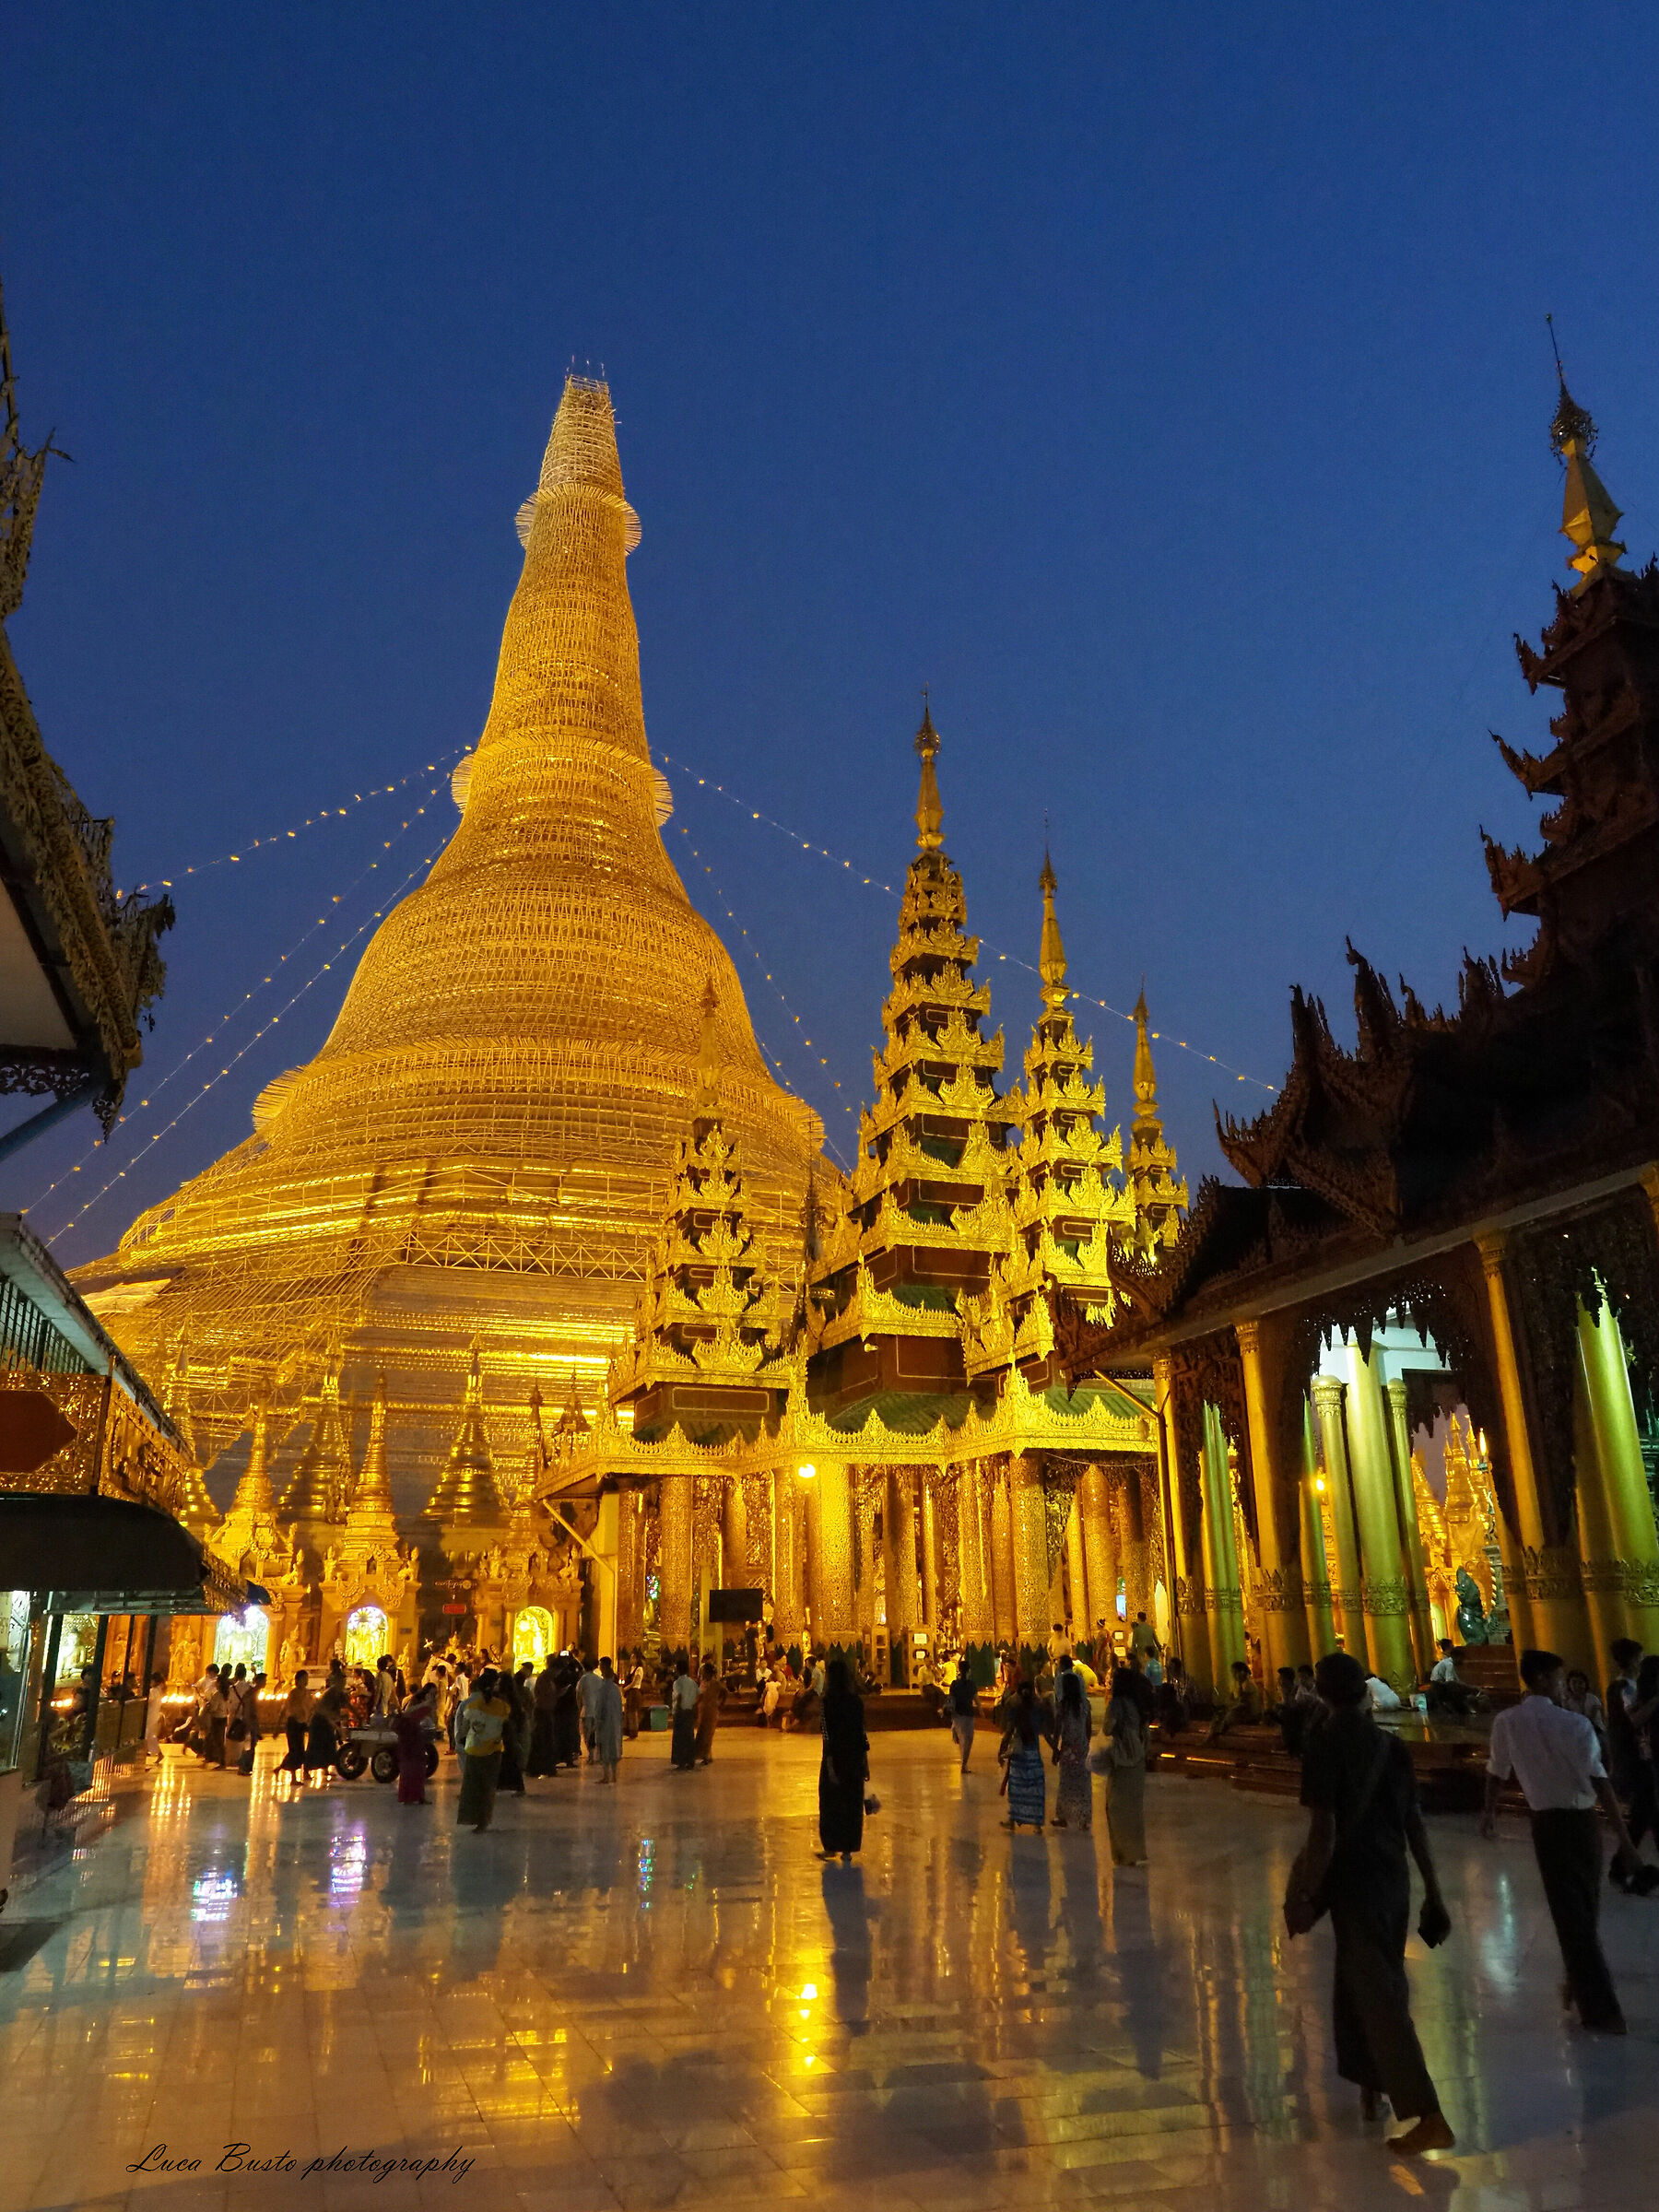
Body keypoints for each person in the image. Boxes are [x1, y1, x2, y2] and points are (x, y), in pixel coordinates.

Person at [1288, 1651, 1453, 2156]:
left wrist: (1303, 1894)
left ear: (1320, 1691)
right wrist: (1434, 1889)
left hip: (1354, 1883)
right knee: (1357, 1982)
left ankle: (1428, 2114)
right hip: (1392, 1879)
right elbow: (1414, 1822)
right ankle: (1369, 2087)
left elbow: (1324, 1830)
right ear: (1364, 1690)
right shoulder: (1390, 1746)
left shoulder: (1324, 1744)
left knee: (1379, 1995)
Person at [1482, 1647, 1639, 2036]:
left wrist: (1489, 1811)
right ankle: (1602, 2010)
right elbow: (1601, 1784)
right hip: (1582, 1825)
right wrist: (1625, 1840)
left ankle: (1577, 1983)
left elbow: (1496, 1771)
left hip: (1548, 1827)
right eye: (1555, 1679)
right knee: (1581, 1914)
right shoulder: (1575, 1725)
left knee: (1575, 1915)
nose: (1561, 1686)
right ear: (1540, 1680)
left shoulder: (1507, 1722)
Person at [818, 1656, 869, 1861]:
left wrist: (829, 1763)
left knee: (831, 1802)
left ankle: (831, 1845)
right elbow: (861, 1732)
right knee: (851, 1802)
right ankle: (848, 1848)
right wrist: (865, 1762)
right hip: (854, 1757)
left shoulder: (828, 1702)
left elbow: (827, 1734)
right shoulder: (856, 1702)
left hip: (836, 1757)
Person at [456, 1667, 512, 1831]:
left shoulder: (472, 1707)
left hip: (474, 1749)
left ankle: (471, 1817)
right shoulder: (502, 1706)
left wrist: (460, 1739)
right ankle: (484, 1820)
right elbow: (505, 1726)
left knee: (473, 1787)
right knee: (488, 1788)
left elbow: (463, 1730)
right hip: (494, 1751)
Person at [999, 1679, 1051, 1832]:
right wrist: (1055, 1749)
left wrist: (1001, 1751)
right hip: (1034, 1754)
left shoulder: (1015, 1709)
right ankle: (1037, 1825)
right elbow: (1046, 1732)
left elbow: (1008, 1732)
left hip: (1019, 1756)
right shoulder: (1038, 1709)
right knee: (1035, 1789)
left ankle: (1012, 1820)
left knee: (1017, 1790)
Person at [1052, 1667, 1092, 1833]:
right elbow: (1088, 1727)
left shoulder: (1063, 1706)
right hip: (1081, 1747)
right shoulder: (1085, 1705)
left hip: (1068, 1747)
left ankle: (1063, 1816)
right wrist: (1086, 1744)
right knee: (1083, 1784)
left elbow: (1058, 1727)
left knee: (1066, 1783)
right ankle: (1084, 1819)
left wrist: (1055, 1748)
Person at [394, 1682, 437, 1805]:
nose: (433, 1696)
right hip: (409, 1735)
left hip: (417, 1734)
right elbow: (407, 1714)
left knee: (419, 1767)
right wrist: (425, 1704)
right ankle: (408, 1796)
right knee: (410, 1767)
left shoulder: (430, 1702)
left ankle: (418, 1795)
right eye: (432, 1693)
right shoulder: (416, 1700)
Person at [1207, 1659, 1261, 1741]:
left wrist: (1230, 1707)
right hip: (1241, 1712)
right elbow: (1231, 1699)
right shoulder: (1239, 1684)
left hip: (1249, 1715)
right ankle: (1213, 1735)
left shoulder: (1247, 1684)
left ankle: (1215, 1735)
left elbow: (1243, 1703)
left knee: (1227, 1716)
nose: (1233, 1675)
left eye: (1235, 1672)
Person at [591, 1654, 624, 1783]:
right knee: (614, 1747)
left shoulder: (602, 1688)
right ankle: (614, 1775)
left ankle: (606, 1776)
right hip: (615, 1723)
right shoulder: (616, 1689)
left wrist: (597, 1721)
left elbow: (599, 1707)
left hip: (604, 1723)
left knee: (604, 1747)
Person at [1425, 1640, 1477, 1718]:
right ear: (1457, 1657)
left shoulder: (1448, 1662)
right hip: (1439, 1687)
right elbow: (1450, 1682)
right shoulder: (1449, 1664)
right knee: (1456, 1690)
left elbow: (1455, 1679)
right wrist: (1469, 1688)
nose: (1462, 1661)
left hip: (1437, 1685)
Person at [305, 1681, 345, 1783]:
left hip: (326, 1724)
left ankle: (325, 1768)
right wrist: (338, 1728)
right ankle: (306, 1770)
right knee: (314, 1747)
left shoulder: (336, 1695)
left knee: (329, 1745)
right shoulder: (329, 1696)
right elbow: (326, 1716)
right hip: (319, 1723)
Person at [528, 1655, 560, 1776]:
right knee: (541, 1741)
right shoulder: (543, 1678)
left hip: (548, 1711)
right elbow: (541, 1694)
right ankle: (538, 1768)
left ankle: (548, 1767)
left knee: (548, 1741)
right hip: (542, 1711)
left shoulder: (550, 1679)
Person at [279, 1671, 314, 1780]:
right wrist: (277, 1726)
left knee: (302, 1749)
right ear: (298, 1680)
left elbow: (312, 1707)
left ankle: (305, 1772)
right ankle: (293, 1777)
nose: (306, 1681)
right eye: (304, 1679)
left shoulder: (307, 1693)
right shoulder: (293, 1693)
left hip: (302, 1723)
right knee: (295, 1750)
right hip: (293, 1723)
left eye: (307, 1678)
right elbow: (285, 1709)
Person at [552, 1652, 582, 1771]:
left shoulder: (557, 1674)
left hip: (561, 1707)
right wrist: (575, 1661)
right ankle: (567, 1758)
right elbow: (580, 1672)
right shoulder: (569, 1674)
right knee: (567, 1733)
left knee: (561, 1733)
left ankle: (561, 1758)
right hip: (567, 1707)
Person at [947, 1659, 978, 1774]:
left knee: (962, 1739)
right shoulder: (971, 1684)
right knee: (968, 1739)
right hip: (968, 1713)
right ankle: (964, 1763)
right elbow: (976, 1699)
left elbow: (951, 1698)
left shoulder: (954, 1684)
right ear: (969, 1670)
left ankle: (964, 1763)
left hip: (957, 1714)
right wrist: (980, 1710)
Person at [669, 1659, 700, 1771]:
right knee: (689, 1736)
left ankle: (681, 1761)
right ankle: (690, 1760)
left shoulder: (677, 1683)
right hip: (689, 1711)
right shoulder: (692, 1682)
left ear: (677, 1670)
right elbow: (698, 1695)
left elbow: (679, 1696)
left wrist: (677, 1710)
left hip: (680, 1711)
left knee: (679, 1737)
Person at [1153, 1654, 1190, 1737]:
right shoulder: (1172, 1678)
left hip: (1183, 1702)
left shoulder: (1184, 1677)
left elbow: (1186, 1692)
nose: (1169, 1669)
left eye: (1171, 1666)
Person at [694, 1660, 722, 1765]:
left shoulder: (713, 1683)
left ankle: (706, 1755)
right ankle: (707, 1754)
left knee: (708, 1733)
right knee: (704, 1733)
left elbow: (724, 1692)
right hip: (705, 1710)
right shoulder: (706, 1683)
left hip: (710, 1710)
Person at [577, 1655, 601, 1762]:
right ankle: (597, 1755)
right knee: (595, 1733)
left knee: (587, 1734)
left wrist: (579, 1707)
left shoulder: (583, 1679)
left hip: (586, 1710)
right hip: (597, 1710)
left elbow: (578, 1694)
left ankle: (591, 1755)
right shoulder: (599, 1679)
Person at [143, 1669, 168, 1765]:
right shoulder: (158, 1691)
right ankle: (158, 1753)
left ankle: (153, 1753)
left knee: (148, 1735)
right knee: (150, 1736)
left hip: (150, 1715)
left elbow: (148, 1701)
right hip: (154, 1715)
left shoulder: (153, 1691)